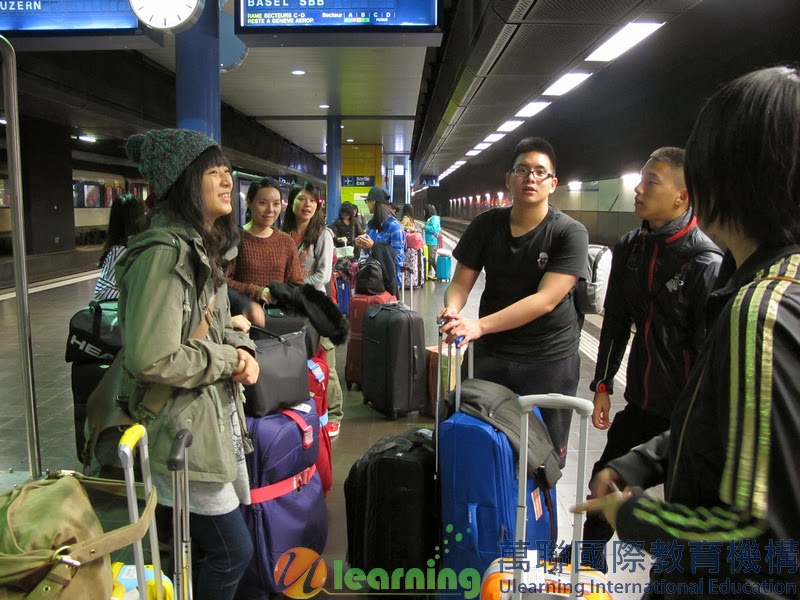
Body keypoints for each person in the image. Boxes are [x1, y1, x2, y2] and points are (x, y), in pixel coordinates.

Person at [577, 66, 800, 598]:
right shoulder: (772, 283)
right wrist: (646, 459)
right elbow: (728, 423)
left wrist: (634, 516)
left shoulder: (761, 313)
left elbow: (760, 541)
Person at [118, 128, 259, 599]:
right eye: (213, 172)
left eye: (227, 172)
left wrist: (244, 350)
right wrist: (229, 358)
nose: (227, 181)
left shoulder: (202, 246)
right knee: (232, 552)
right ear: (182, 183)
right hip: (180, 428)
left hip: (205, 419)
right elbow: (152, 357)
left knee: (203, 550)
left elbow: (216, 326)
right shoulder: (164, 255)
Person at [575, 147, 722, 568]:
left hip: (685, 411)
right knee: (605, 478)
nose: (638, 190)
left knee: (683, 500)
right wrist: (603, 385)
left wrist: (701, 417)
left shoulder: (705, 262)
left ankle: (675, 579)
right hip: (640, 400)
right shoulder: (631, 248)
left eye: (650, 182)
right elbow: (616, 321)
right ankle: (588, 562)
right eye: (639, 180)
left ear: (682, 196)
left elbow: (709, 353)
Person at [438, 137, 588, 465]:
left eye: (540, 172)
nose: (530, 178)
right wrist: (452, 309)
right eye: (522, 170)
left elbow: (545, 300)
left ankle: (539, 497)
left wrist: (478, 326)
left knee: (545, 457)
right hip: (493, 351)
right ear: (509, 179)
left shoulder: (570, 233)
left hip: (549, 358)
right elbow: (460, 283)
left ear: (553, 183)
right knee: (471, 436)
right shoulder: (486, 225)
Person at [282, 182, 345, 438]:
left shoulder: (322, 235)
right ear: (292, 203)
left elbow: (322, 276)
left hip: (318, 307)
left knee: (326, 360)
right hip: (293, 307)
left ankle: (335, 413)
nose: (306, 204)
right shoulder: (284, 233)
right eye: (301, 199)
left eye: (312, 200)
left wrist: (291, 288)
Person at [227, 176, 303, 326]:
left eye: (276, 204)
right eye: (263, 203)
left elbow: (297, 284)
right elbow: (223, 282)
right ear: (249, 202)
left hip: (278, 321)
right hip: (242, 321)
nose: (270, 210)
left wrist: (280, 292)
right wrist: (257, 291)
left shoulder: (286, 241)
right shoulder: (235, 238)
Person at [93, 193, 145, 301]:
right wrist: (137, 296)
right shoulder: (123, 251)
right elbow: (102, 291)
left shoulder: (126, 250)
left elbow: (101, 292)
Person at [354, 186, 405, 292]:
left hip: (388, 281)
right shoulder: (372, 225)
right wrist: (364, 245)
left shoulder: (395, 227)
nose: (367, 204)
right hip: (371, 278)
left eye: (367, 201)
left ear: (373, 202)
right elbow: (370, 252)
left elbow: (398, 258)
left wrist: (374, 246)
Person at [423, 204, 441, 280]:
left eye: (425, 211)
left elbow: (434, 229)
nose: (424, 213)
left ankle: (438, 273)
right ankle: (429, 273)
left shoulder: (435, 219)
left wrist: (425, 227)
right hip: (429, 241)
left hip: (433, 241)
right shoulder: (431, 218)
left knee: (431, 258)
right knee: (428, 258)